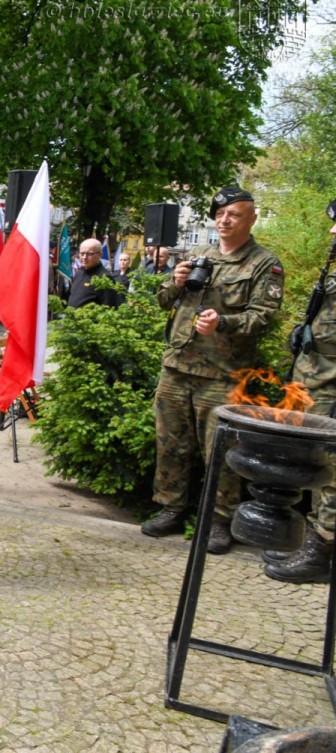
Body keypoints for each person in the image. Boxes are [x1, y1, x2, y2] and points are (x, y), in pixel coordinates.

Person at [140, 187, 284, 555]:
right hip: (177, 366)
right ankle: (171, 508)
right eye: (220, 214)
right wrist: (174, 281)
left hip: (222, 374)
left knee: (220, 451)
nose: (225, 220)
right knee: (170, 443)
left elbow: (264, 317)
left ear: (251, 218)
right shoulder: (198, 254)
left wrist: (223, 323)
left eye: (234, 214)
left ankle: (219, 521)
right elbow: (162, 301)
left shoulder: (264, 264)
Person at [264, 213, 336, 583]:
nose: (332, 231)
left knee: (332, 472)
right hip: (317, 382)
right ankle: (314, 542)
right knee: (318, 466)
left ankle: (322, 550)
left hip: (331, 386)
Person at [67, 238, 120, 308]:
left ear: (100, 255)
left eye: (89, 254)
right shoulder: (79, 272)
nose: (84, 257)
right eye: (82, 253)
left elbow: (109, 307)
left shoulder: (104, 278)